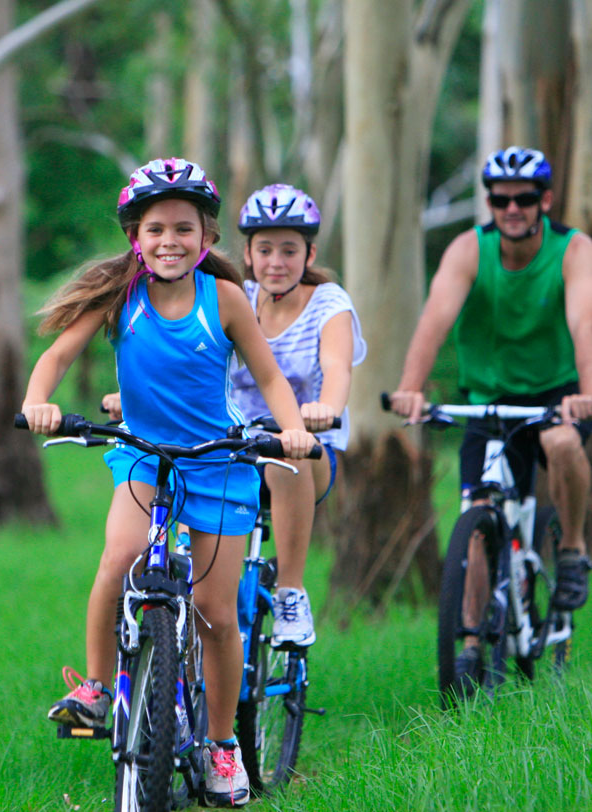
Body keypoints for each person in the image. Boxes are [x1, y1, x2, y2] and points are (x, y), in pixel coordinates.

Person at [21, 158, 317, 808]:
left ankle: (219, 745)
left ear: (206, 238)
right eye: (156, 229)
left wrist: (291, 430)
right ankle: (98, 688)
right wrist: (39, 398)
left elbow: (269, 379)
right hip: (144, 458)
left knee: (215, 614)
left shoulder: (226, 300)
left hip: (217, 462)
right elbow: (57, 355)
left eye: (184, 228)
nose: (169, 241)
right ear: (136, 235)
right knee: (120, 558)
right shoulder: (119, 297)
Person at [389, 145, 592, 689]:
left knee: (566, 446)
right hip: (488, 399)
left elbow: (584, 321)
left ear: (544, 200)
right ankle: (473, 642)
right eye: (500, 199)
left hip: (556, 394)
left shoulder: (573, 251)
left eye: (525, 198)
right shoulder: (468, 250)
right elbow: (436, 317)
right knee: (477, 514)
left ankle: (572, 548)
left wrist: (586, 393)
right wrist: (411, 389)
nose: (512, 208)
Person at [228, 184, 367, 647]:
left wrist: (326, 407)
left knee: (286, 457)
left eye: (289, 250)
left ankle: (290, 592)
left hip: (306, 452)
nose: (275, 262)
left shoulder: (329, 303)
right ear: (247, 253)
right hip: (231, 451)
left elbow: (336, 366)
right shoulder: (236, 299)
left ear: (309, 254)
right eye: (264, 249)